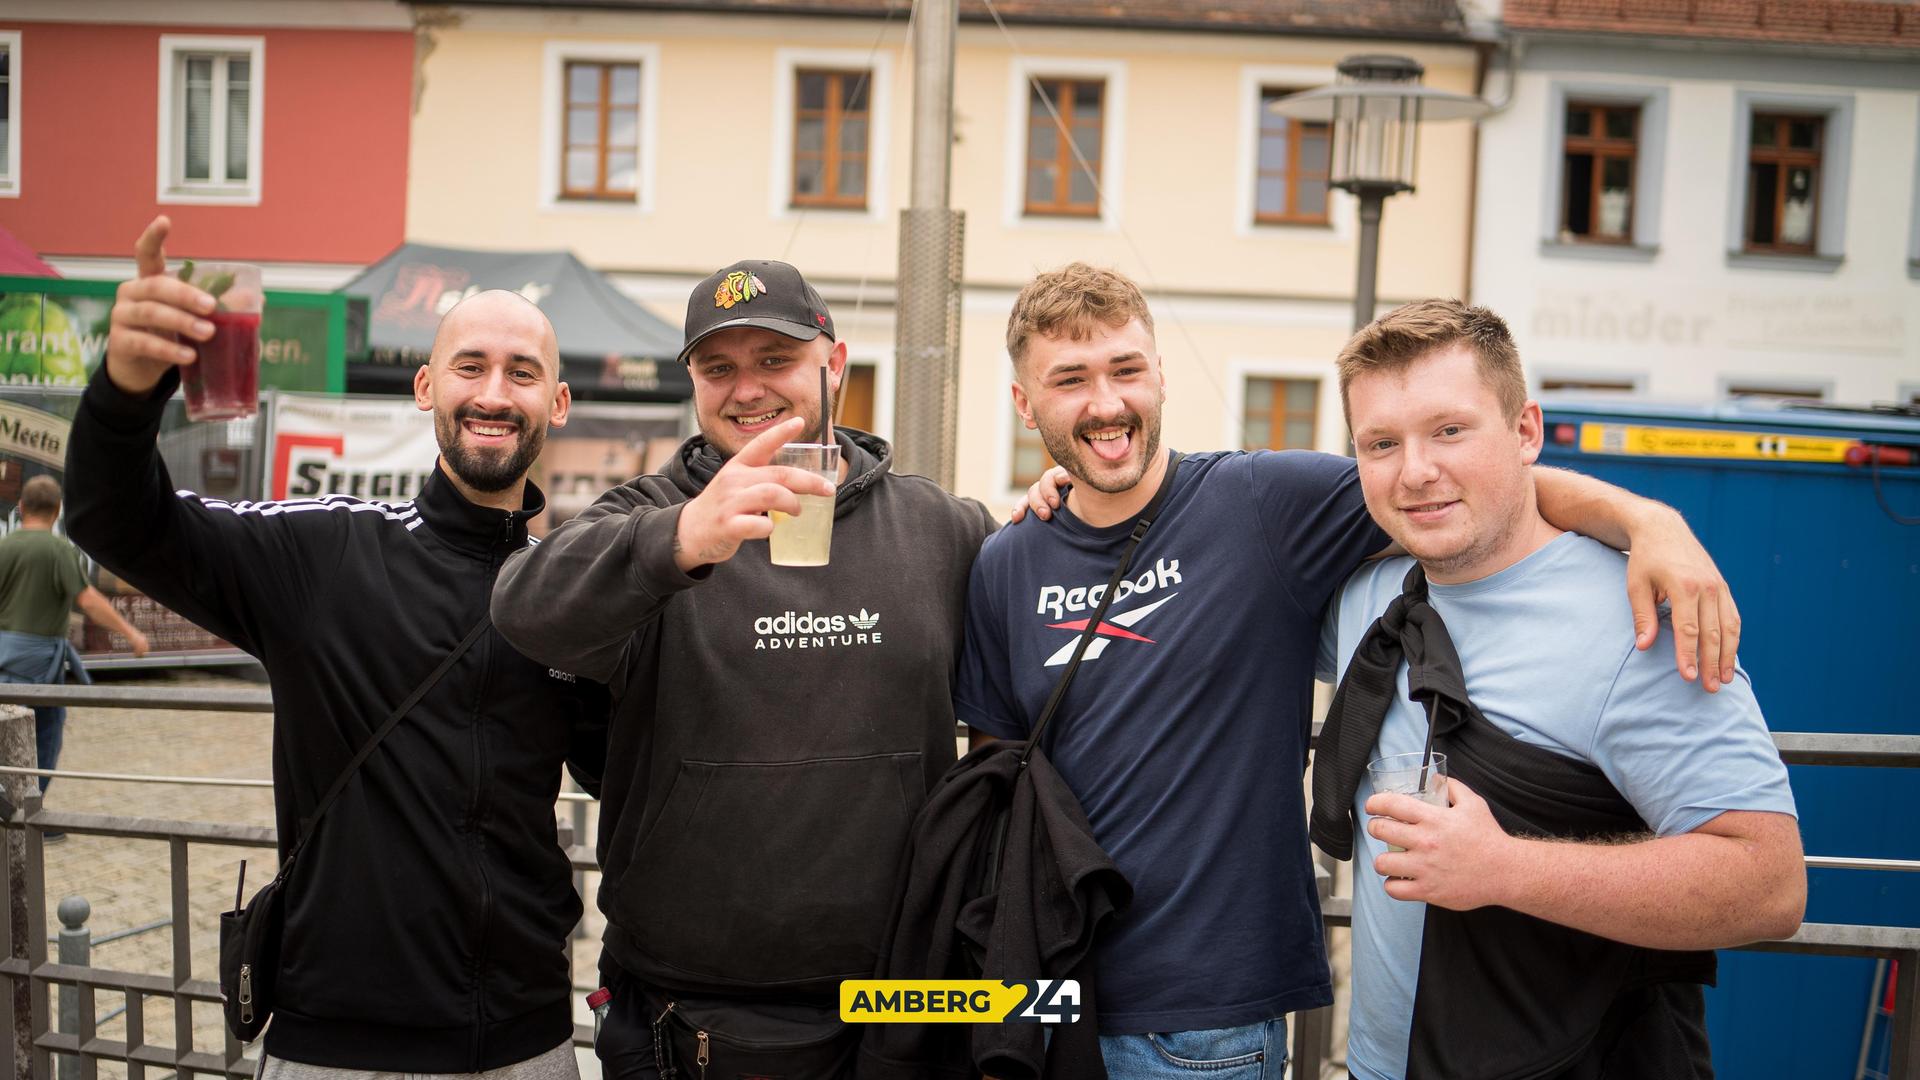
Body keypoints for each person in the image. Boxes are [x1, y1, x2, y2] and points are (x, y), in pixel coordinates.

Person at [956, 263, 1741, 1079]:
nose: (1106, 403)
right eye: (1070, 380)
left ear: (1159, 373)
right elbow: (996, 799)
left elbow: (1473, 486)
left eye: (1125, 370)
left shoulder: (1261, 503)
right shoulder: (1005, 563)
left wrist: (1648, 522)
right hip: (1046, 1005)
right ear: (1024, 402)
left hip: (1206, 1030)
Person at [64, 217, 610, 1077]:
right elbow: (117, 520)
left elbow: (634, 771)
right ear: (426, 386)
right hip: (333, 1040)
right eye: (470, 367)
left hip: (523, 1040)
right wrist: (127, 390)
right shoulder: (323, 550)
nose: (494, 393)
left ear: (559, 403)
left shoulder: (575, 593)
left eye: (522, 372)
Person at [490, 259, 998, 1077]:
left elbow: (1055, 617)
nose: (747, 388)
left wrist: (1067, 509)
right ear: (693, 381)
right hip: (692, 1009)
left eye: (775, 360)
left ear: (832, 366)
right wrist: (687, 536)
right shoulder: (651, 517)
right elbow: (524, 607)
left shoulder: (941, 529)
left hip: (902, 1000)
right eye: (718, 368)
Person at [1313, 299, 1802, 1080]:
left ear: (1526, 432)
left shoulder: (1639, 622)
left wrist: (1504, 868)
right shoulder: (1366, 597)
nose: (1415, 470)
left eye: (1450, 430)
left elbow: (1768, 884)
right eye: (1381, 443)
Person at [0, 474, 149, 807]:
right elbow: (89, 600)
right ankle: (30, 813)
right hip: (40, 666)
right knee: (47, 736)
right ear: (57, 512)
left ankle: (10, 806)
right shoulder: (59, 550)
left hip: (2, 659)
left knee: (4, 735)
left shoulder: (4, 546)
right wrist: (132, 634)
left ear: (21, 507)